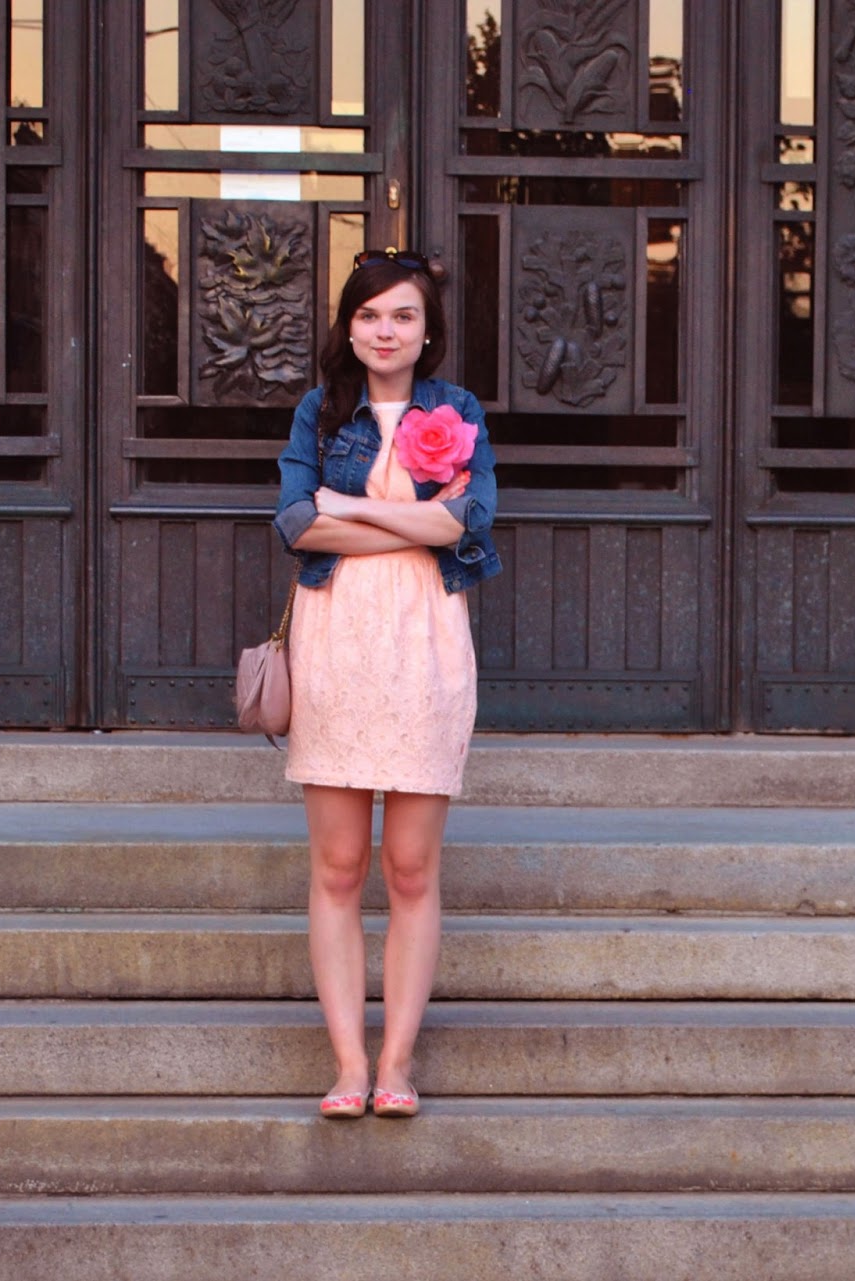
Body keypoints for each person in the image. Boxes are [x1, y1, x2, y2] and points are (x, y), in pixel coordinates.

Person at [272, 249, 501, 1119]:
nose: (385, 330)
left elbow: (469, 520)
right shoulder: (321, 412)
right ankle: (347, 1064)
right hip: (336, 641)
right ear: (350, 325)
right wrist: (415, 524)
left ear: (427, 329)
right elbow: (297, 524)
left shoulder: (458, 410)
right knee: (337, 866)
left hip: (427, 644)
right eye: (369, 314)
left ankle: (397, 1061)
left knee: (409, 868)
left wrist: (353, 507)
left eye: (403, 315)